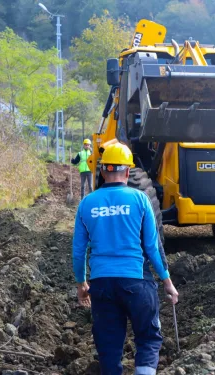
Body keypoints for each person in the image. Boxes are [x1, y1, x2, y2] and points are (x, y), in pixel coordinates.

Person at [72, 142, 179, 375]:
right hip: (137, 282)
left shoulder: (87, 203)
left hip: (101, 285)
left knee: (108, 345)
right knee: (148, 338)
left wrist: (82, 285)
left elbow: (79, 252)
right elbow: (153, 247)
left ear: (102, 171)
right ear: (128, 171)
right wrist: (167, 282)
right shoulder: (140, 200)